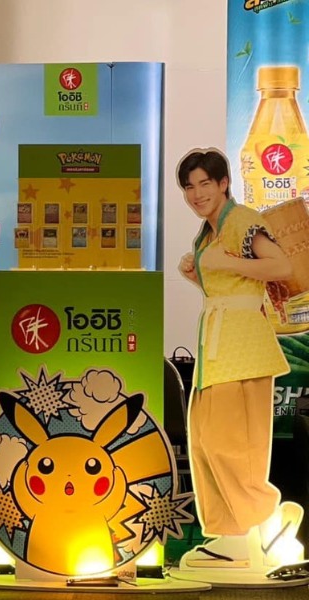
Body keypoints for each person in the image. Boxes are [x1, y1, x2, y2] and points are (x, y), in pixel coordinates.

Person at [175, 148, 302, 569]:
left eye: (204, 184)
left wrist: (224, 262)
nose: (197, 194)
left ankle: (263, 522)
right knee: (204, 440)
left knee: (230, 443)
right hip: (219, 347)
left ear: (224, 183)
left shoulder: (243, 220)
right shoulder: (208, 232)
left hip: (242, 348)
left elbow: (281, 266)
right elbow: (232, 284)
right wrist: (198, 274)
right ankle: (231, 536)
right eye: (189, 186)